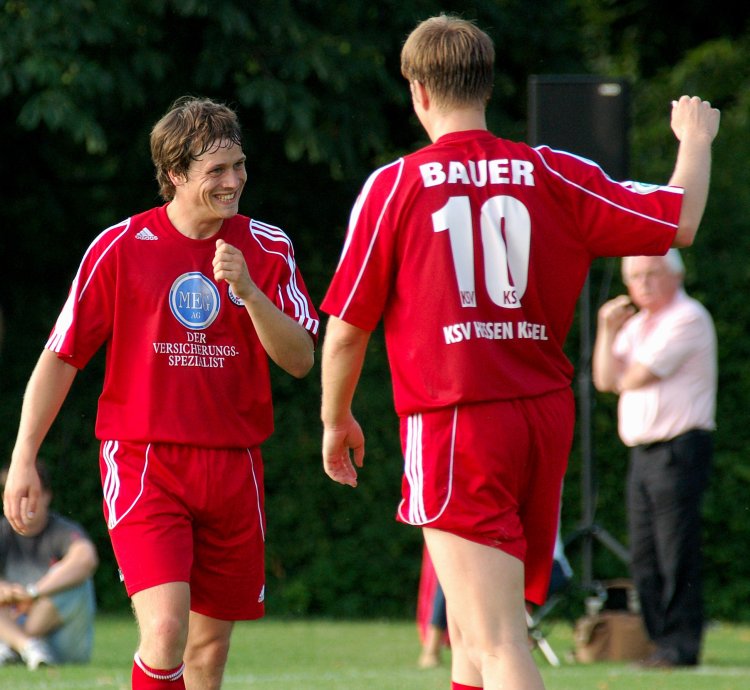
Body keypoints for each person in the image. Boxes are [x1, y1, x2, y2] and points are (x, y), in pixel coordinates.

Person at [319, 13, 719, 690]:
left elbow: (348, 328)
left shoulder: (396, 185)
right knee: (472, 636)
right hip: (541, 416)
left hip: (458, 418)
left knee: (498, 638)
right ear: (488, 86)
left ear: (418, 91)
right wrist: (695, 141)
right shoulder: (553, 171)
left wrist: (336, 419)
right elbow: (678, 219)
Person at [3, 96, 319, 690]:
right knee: (167, 627)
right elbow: (60, 358)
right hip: (145, 461)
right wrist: (23, 456)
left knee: (208, 650)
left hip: (235, 465)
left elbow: (301, 359)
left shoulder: (268, 247)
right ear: (175, 174)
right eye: (216, 170)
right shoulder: (120, 246)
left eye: (239, 166)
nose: (234, 182)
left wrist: (250, 293)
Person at [592, 249, 716, 668]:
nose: (642, 284)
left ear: (675, 275)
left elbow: (633, 377)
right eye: (634, 276)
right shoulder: (635, 326)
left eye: (651, 274)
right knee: (644, 552)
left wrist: (620, 368)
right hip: (643, 453)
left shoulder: (687, 317)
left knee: (675, 549)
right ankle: (660, 641)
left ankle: (681, 644)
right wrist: (606, 329)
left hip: (678, 448)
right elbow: (604, 379)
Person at [0, 460, 98, 670]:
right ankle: (26, 646)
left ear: (46, 495)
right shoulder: (3, 532)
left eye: (29, 493)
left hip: (62, 644)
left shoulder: (61, 530)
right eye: (16, 494)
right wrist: (5, 590)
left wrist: (33, 593)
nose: (23, 502)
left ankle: (14, 645)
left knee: (74, 578)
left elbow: (86, 558)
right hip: (20, 629)